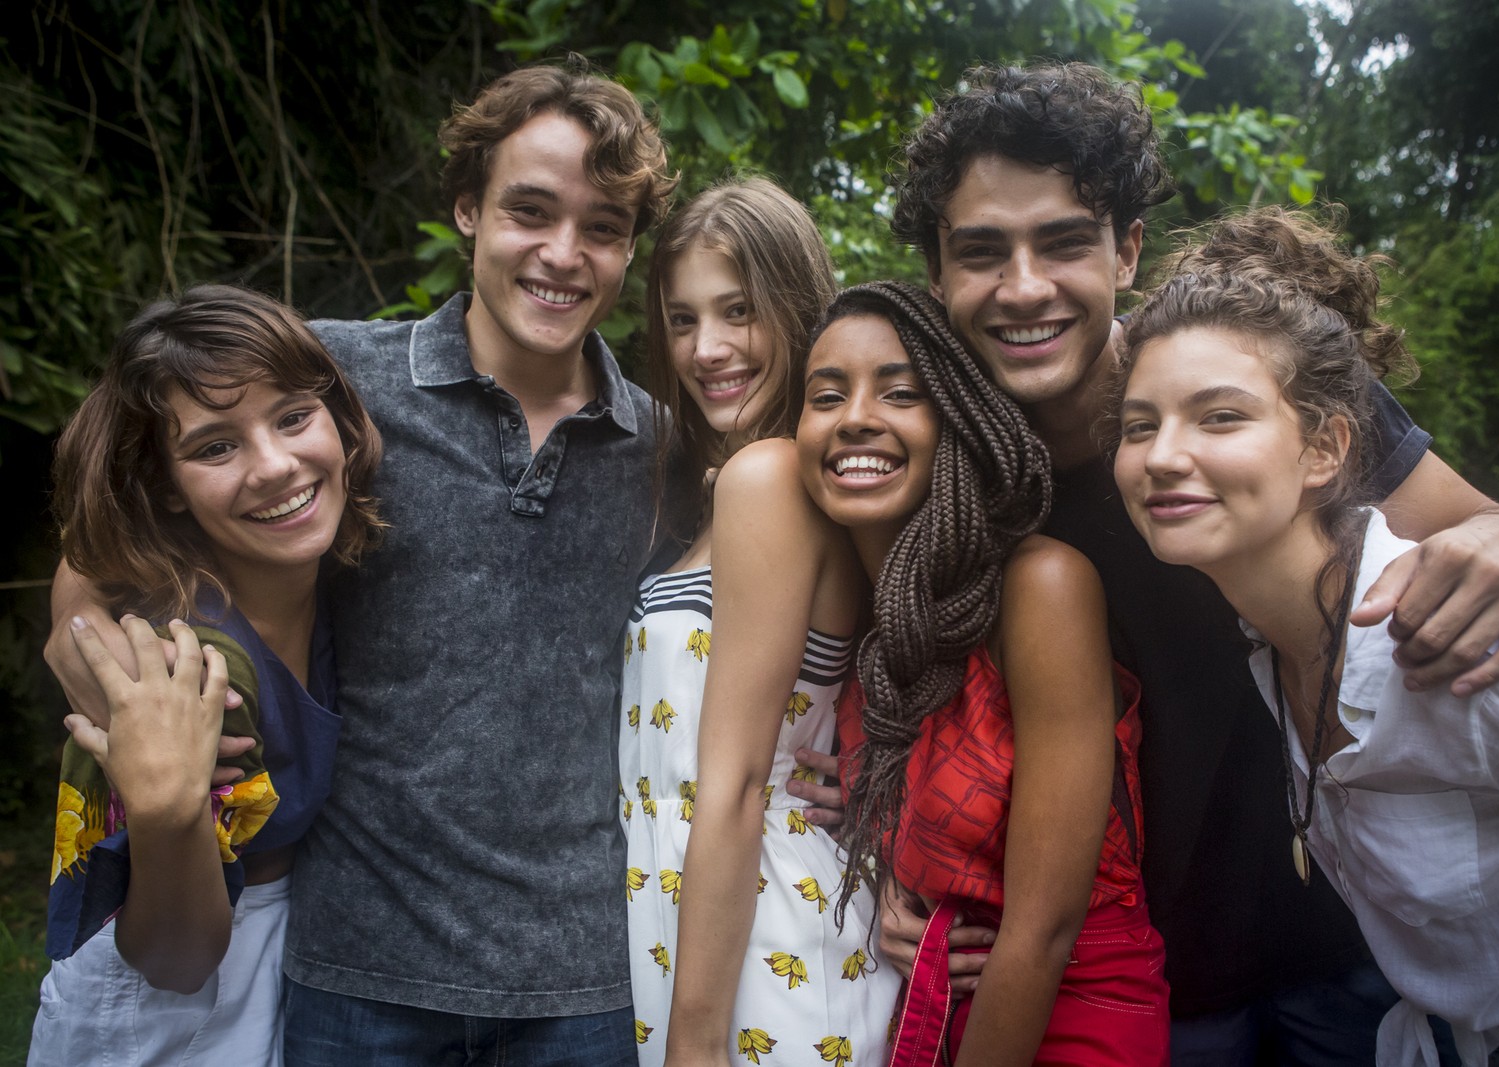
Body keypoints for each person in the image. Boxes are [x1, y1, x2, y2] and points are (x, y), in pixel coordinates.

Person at [824, 60, 1499, 1064]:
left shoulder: (1239, 386)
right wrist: (900, 864)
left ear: (1127, 249)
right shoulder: (953, 460)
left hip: (1358, 952)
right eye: (982, 252)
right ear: (939, 274)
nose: (1025, 285)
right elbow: (917, 668)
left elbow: (1487, 532)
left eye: (1064, 242)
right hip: (1148, 984)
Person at [43, 60, 682, 1065]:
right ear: (467, 209)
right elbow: (98, 543)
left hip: (581, 979)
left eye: (603, 225)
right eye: (529, 211)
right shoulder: (335, 386)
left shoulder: (659, 443)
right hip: (354, 972)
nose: (564, 253)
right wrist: (123, 698)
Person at [1112, 206, 1499, 1067]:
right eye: (1140, 424)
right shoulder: (1276, 646)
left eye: (1220, 417)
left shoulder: (1461, 638)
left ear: (1325, 449)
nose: (1162, 454)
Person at [797, 280, 1170, 1066]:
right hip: (934, 997)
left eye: (901, 392)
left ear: (960, 421)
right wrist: (885, 878)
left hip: (1073, 1004)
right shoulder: (869, 623)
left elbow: (1044, 926)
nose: (855, 416)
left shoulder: (1041, 587)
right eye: (826, 395)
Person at [30, 285, 384, 1066]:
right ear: (165, 486)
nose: (275, 465)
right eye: (215, 446)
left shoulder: (318, 576)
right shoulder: (181, 669)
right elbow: (173, 956)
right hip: (165, 1011)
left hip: (277, 966)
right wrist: (166, 808)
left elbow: (85, 559)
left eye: (293, 415)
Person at [620, 177, 899, 1066]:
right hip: (703, 919)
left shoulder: (770, 478)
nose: (708, 348)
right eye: (682, 318)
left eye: (738, 311)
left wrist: (692, 1045)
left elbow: (737, 785)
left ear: (794, 307)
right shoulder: (741, 486)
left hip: (763, 936)